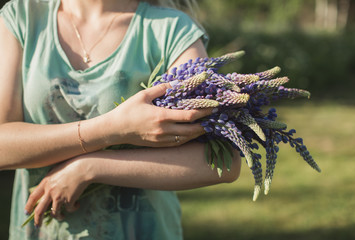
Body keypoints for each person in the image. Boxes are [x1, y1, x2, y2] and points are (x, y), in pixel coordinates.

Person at [0, 0, 241, 239]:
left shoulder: (169, 29)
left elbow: (222, 161)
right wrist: (113, 128)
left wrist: (90, 168)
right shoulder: (22, 18)